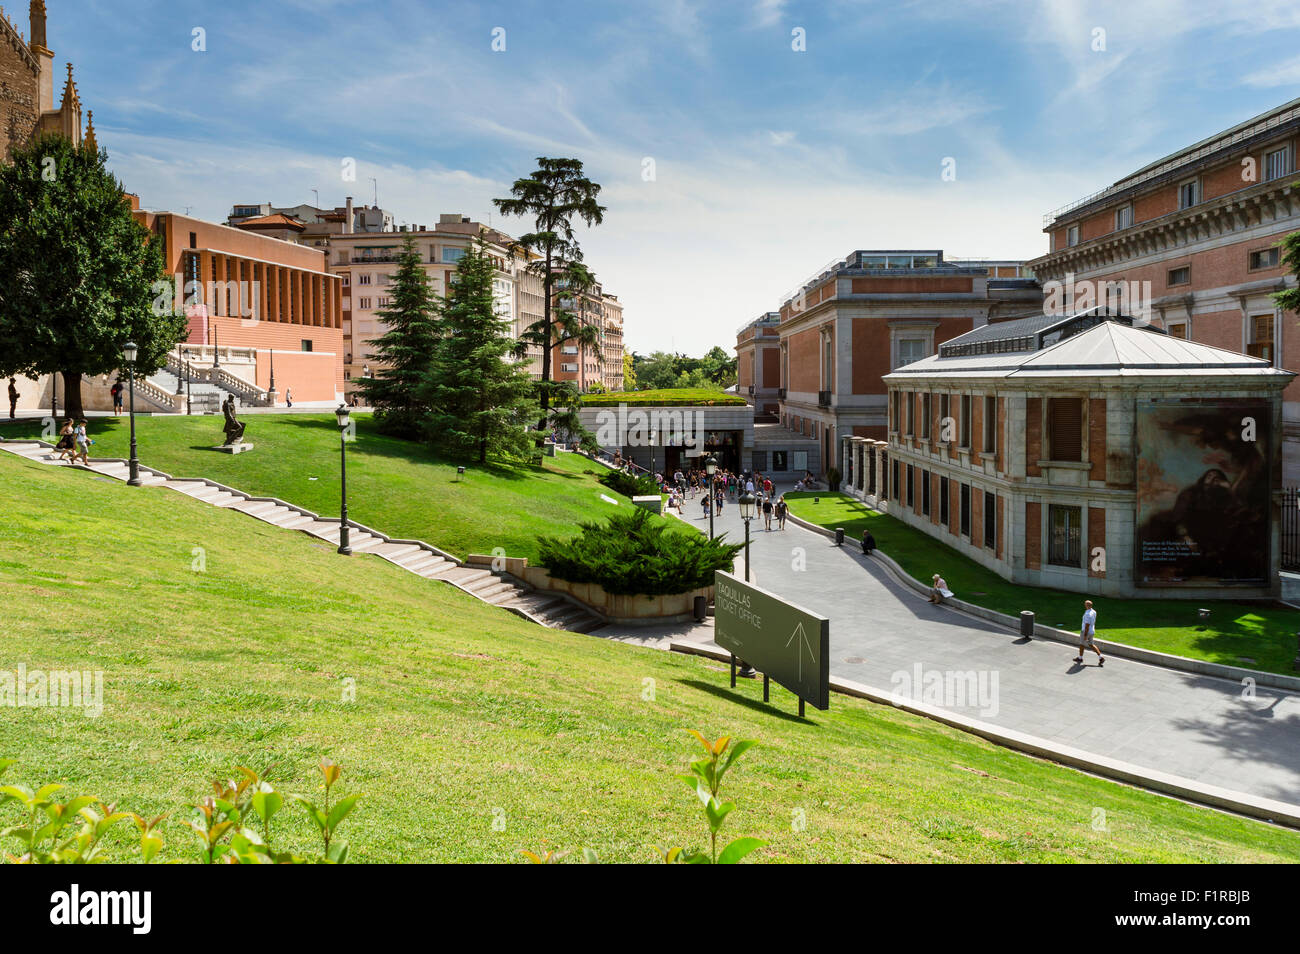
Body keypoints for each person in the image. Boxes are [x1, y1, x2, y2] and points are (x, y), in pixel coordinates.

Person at [1074, 600, 1105, 666]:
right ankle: (1101, 657)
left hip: (1086, 631)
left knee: (1082, 644)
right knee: (1091, 644)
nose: (1084, 605)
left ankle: (1080, 658)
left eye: (1085, 604)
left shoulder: (1088, 614)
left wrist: (1085, 635)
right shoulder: (1093, 611)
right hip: (1092, 631)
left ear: (1087, 605)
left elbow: (1087, 625)